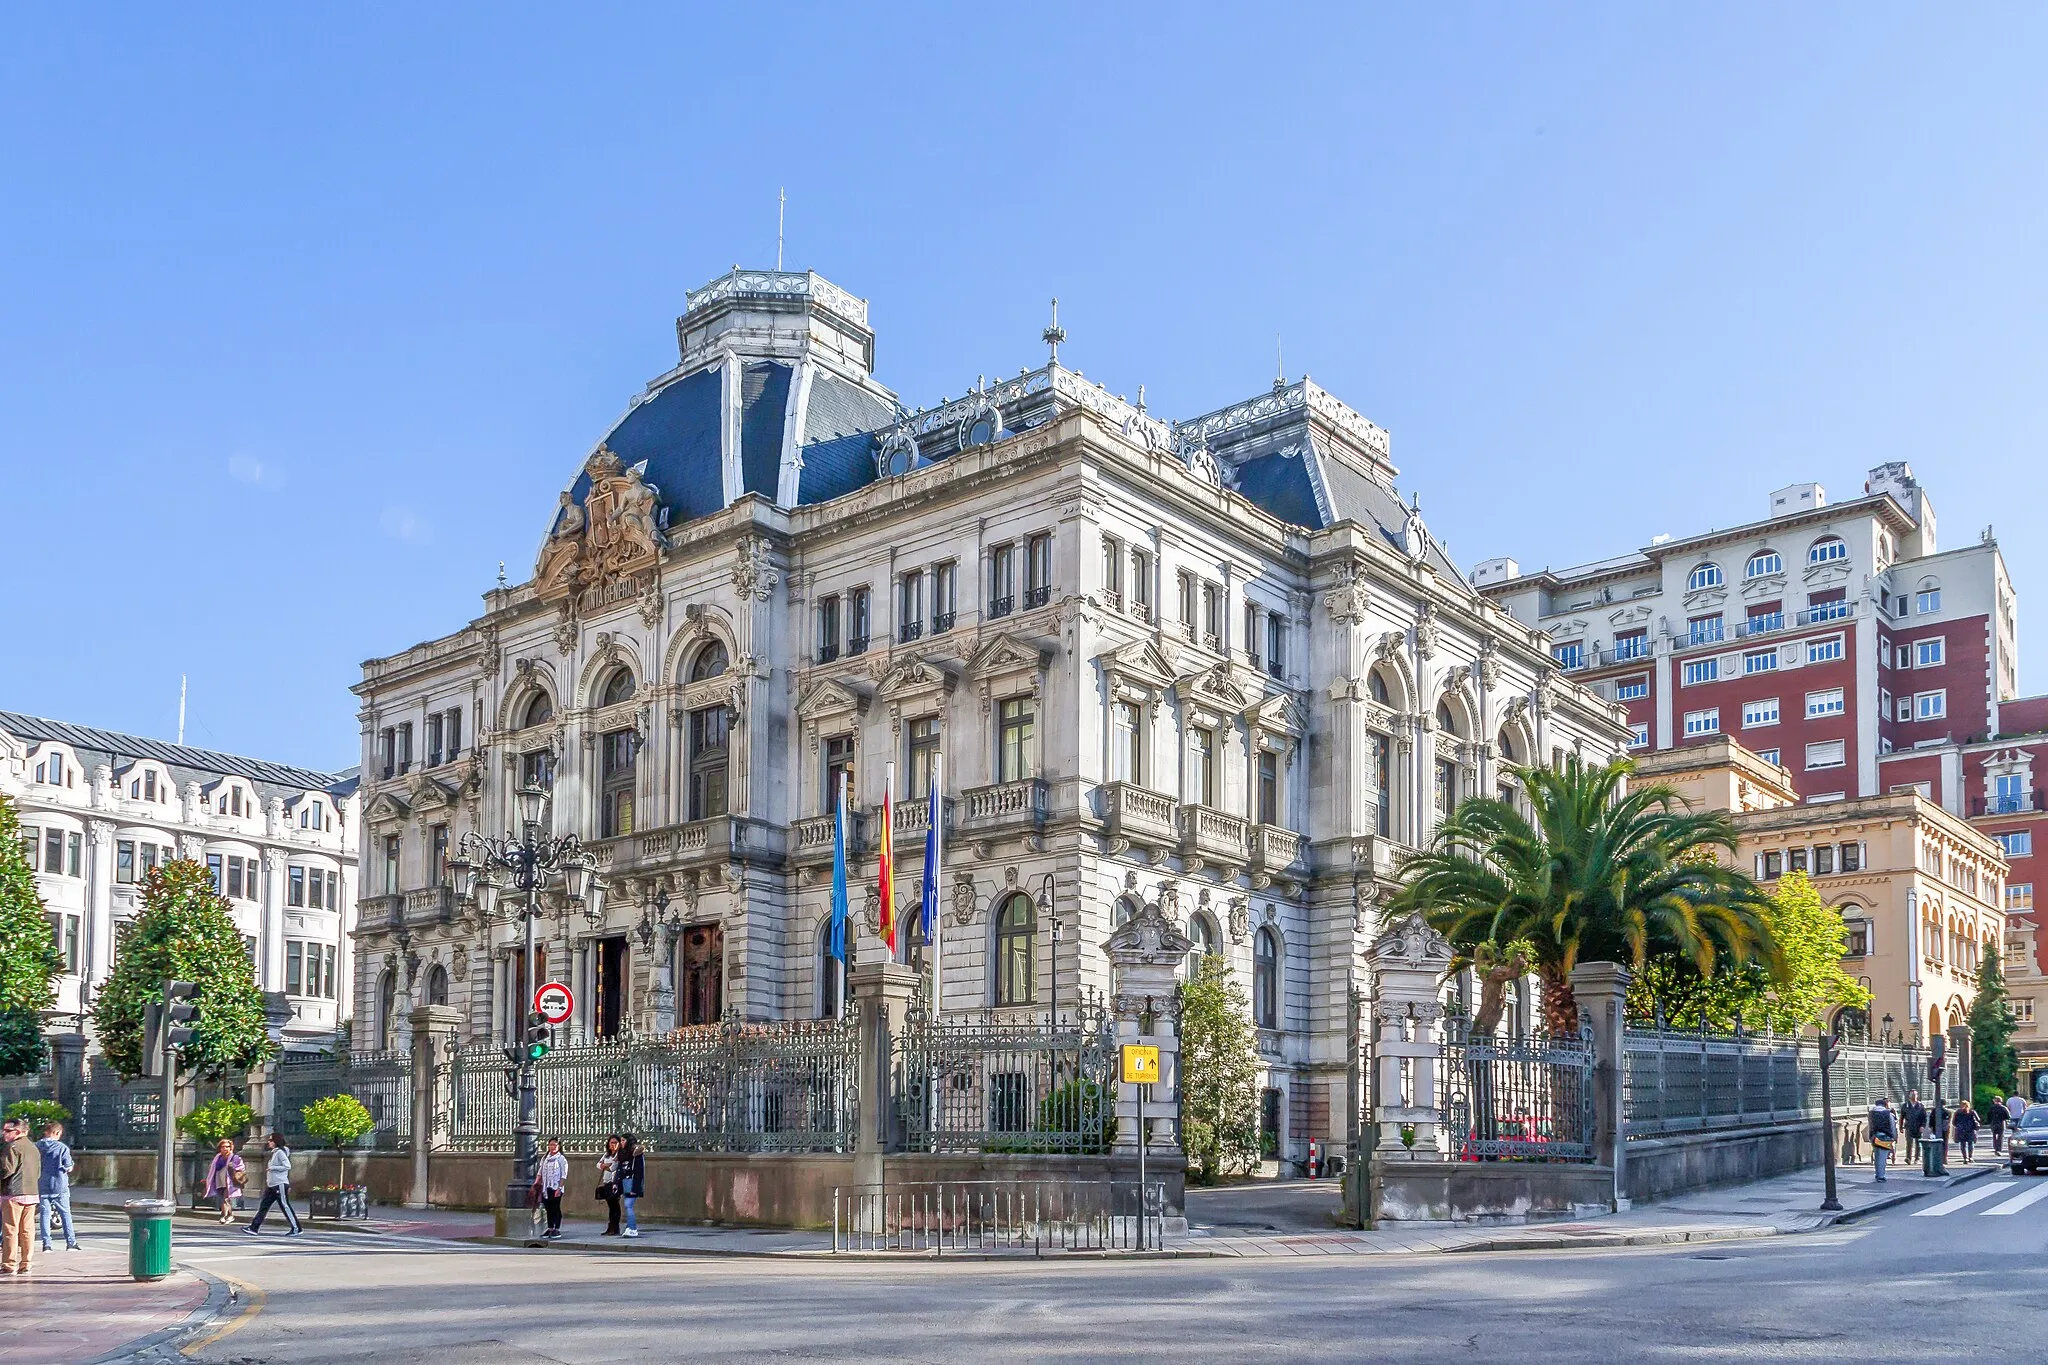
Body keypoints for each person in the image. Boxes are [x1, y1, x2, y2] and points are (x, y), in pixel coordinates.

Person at [0, 1118, 41, 1274]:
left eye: (8, 1130)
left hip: (13, 1193)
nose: (4, 1133)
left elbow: (6, 1170)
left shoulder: (12, 1147)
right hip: (31, 1193)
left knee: (10, 1230)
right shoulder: (33, 1148)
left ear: (18, 1131)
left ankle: (9, 1264)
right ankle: (26, 1262)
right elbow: (37, 1172)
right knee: (27, 1230)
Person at [245, 1133, 302, 1236]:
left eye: (271, 1140)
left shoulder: (280, 1152)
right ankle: (254, 1227)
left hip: (279, 1184)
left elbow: (287, 1166)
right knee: (263, 1206)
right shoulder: (275, 1152)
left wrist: (272, 1168)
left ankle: (296, 1228)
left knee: (285, 1206)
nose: (269, 1142)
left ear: (276, 1141)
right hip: (272, 1185)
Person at [35, 1122, 76, 1251]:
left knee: (44, 1215)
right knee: (65, 1214)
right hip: (59, 1185)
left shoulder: (36, 1146)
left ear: (46, 1132)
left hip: (42, 1184)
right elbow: (68, 1167)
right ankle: (71, 1243)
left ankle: (46, 1244)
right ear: (57, 1133)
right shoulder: (62, 1148)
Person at [203, 1138, 245, 1226]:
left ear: (231, 1148)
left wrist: (233, 1166)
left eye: (227, 1147)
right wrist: (208, 1179)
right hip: (219, 1180)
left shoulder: (235, 1157)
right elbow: (212, 1169)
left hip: (229, 1181)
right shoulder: (218, 1157)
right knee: (223, 1199)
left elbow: (241, 1168)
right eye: (223, 1147)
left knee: (226, 1198)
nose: (225, 1148)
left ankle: (223, 1216)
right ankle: (230, 1215)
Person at [534, 1138, 569, 1239]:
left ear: (559, 1146)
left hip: (556, 1187)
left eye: (554, 1145)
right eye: (550, 1145)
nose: (552, 1147)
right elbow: (540, 1172)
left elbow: (564, 1175)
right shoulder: (545, 1158)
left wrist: (559, 1188)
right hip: (546, 1187)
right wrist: (536, 1183)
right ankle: (549, 1228)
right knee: (548, 1208)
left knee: (555, 1207)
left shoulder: (561, 1159)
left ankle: (556, 1228)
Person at [617, 1134, 645, 1239]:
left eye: (623, 1140)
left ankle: (633, 1228)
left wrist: (635, 1188)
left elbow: (639, 1172)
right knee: (626, 1205)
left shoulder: (636, 1154)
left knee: (628, 1205)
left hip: (632, 1181)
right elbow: (620, 1168)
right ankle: (629, 1227)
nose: (621, 1143)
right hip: (625, 1181)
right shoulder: (622, 1153)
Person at [1868, 1097, 1898, 1182]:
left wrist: (1870, 1137)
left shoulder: (1871, 1113)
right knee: (1883, 1158)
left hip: (1875, 1137)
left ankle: (1877, 1174)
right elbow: (1892, 1127)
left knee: (1877, 1156)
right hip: (1886, 1137)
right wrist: (1893, 1137)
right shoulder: (1888, 1114)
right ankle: (1881, 1176)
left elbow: (1870, 1126)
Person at [598, 1135, 622, 1237]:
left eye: (615, 1143)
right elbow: (598, 1164)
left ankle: (615, 1227)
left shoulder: (619, 1155)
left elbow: (613, 1167)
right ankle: (610, 1227)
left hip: (615, 1182)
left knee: (615, 1205)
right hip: (606, 1181)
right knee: (610, 1206)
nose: (613, 1145)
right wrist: (603, 1165)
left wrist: (605, 1166)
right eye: (611, 1143)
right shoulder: (607, 1155)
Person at [1902, 1090, 1927, 1163]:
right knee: (1909, 1143)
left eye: (1915, 1095)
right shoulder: (1905, 1105)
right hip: (1909, 1126)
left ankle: (1917, 1158)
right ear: (1909, 1096)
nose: (1914, 1096)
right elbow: (1902, 1117)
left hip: (1918, 1126)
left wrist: (1923, 1126)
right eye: (1912, 1095)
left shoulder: (1920, 1106)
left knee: (1918, 1143)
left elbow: (1924, 1117)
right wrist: (1901, 1127)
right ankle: (1908, 1158)